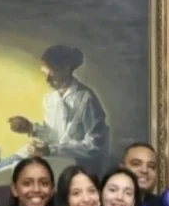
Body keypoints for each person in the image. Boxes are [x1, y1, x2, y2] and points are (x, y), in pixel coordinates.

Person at [8, 45, 110, 174]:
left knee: (16, 170)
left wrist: (51, 150)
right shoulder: (50, 99)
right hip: (54, 159)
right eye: (44, 74)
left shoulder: (85, 98)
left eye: (51, 74)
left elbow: (94, 146)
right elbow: (54, 136)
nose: (47, 80)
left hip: (76, 165)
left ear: (66, 69)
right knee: (11, 161)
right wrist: (30, 128)